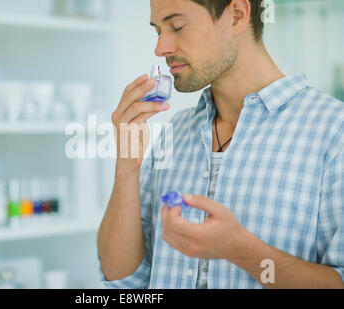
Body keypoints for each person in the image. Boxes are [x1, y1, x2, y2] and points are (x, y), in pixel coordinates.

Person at [97, 0, 343, 289]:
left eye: (177, 26)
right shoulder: (176, 131)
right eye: (158, 31)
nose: (160, 48)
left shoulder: (333, 131)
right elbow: (122, 278)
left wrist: (241, 250)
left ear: (237, 16)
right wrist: (126, 167)